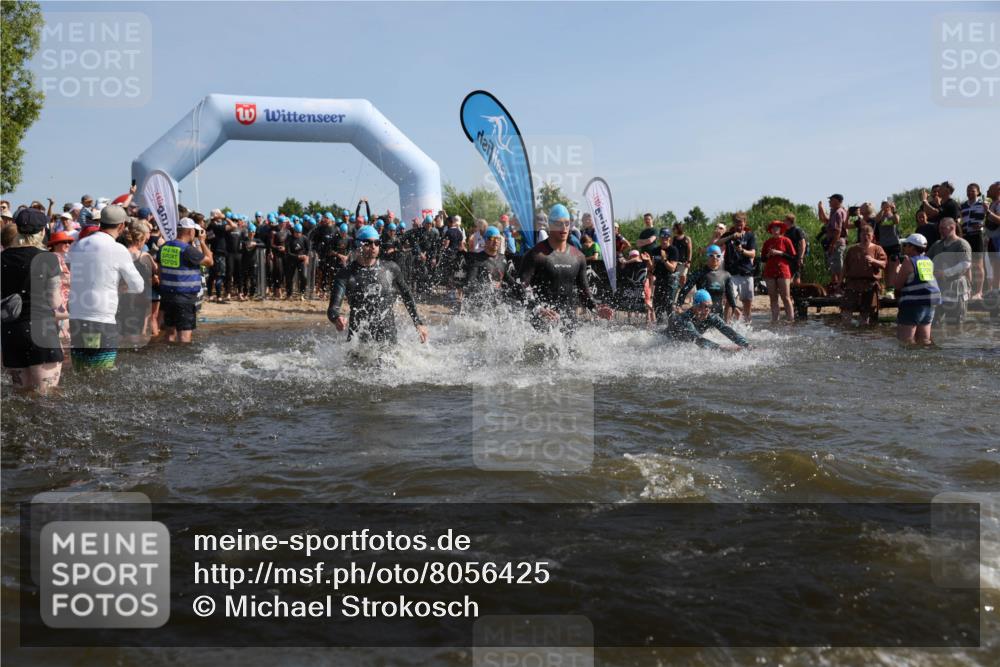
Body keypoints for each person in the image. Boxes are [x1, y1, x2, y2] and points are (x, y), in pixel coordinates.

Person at [65, 205, 144, 369]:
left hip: (76, 317)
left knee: (81, 370)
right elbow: (138, 286)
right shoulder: (118, 249)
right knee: (101, 373)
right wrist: (121, 288)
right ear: (121, 226)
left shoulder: (78, 245)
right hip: (101, 319)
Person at [517, 204, 614, 333]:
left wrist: (596, 308)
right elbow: (521, 286)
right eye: (559, 224)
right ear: (550, 225)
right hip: (541, 323)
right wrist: (538, 308)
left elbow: (584, 291)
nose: (564, 228)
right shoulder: (535, 255)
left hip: (569, 323)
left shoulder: (578, 256)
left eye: (567, 223)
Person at [328, 225, 428, 344]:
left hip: (388, 337)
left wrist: (418, 322)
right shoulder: (346, 274)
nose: (373, 246)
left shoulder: (390, 268)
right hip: (359, 338)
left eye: (377, 243)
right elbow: (333, 308)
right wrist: (336, 318)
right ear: (358, 245)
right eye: (368, 243)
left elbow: (406, 294)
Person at [1, 208, 64, 393]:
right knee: (47, 396)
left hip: (11, 332)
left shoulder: (2, 258)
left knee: (20, 396)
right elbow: (54, 301)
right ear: (43, 231)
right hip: (41, 330)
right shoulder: (48, 259)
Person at [158, 217, 213, 343]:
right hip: (184, 298)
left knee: (169, 334)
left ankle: (167, 355)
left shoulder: (164, 247)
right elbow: (210, 261)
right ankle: (184, 356)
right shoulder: (188, 250)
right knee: (184, 337)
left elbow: (160, 270)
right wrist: (202, 242)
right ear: (190, 231)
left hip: (167, 296)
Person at [664, 289, 750, 352]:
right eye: (705, 306)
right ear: (696, 306)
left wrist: (747, 345)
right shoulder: (685, 319)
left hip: (686, 341)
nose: (707, 310)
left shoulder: (711, 317)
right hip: (667, 341)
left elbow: (729, 331)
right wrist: (725, 348)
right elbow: (698, 340)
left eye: (710, 306)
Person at [893, 233, 941, 345]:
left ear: (912, 247)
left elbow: (898, 285)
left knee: (905, 342)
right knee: (924, 341)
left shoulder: (908, 262)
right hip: (930, 303)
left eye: (906, 245)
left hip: (913, 304)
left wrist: (896, 269)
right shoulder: (928, 261)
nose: (904, 247)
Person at [459, 226, 520, 314]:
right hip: (482, 306)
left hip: (498, 304)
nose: (496, 241)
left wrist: (522, 292)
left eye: (498, 238)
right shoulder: (477, 259)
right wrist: (487, 286)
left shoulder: (502, 258)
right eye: (492, 238)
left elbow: (509, 279)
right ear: (485, 240)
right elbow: (470, 284)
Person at [117, 218, 156, 345]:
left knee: (121, 332)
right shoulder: (144, 256)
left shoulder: (121, 254)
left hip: (121, 297)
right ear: (142, 238)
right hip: (139, 299)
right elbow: (155, 274)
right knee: (135, 335)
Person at [927, 217, 972, 325]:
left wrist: (945, 273)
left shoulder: (961, 244)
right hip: (938, 288)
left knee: (955, 325)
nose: (940, 231)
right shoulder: (937, 244)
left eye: (943, 228)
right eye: (939, 228)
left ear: (952, 227)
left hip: (956, 288)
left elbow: (965, 264)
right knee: (934, 323)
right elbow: (926, 260)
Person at [840, 225, 887, 326]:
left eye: (868, 235)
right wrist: (840, 283)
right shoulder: (852, 250)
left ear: (872, 236)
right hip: (852, 284)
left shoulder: (877, 249)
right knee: (846, 311)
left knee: (865, 315)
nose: (865, 237)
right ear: (860, 235)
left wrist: (873, 261)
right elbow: (844, 268)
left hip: (870, 285)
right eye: (863, 235)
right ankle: (846, 333)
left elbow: (884, 264)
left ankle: (863, 333)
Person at [677, 245, 739, 320]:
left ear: (721, 257)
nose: (715, 258)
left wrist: (734, 307)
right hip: (701, 315)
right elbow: (685, 289)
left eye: (718, 256)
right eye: (711, 255)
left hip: (718, 315)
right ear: (707, 257)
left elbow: (730, 294)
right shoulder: (699, 273)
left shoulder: (726, 275)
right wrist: (678, 305)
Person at [720, 212, 756, 324]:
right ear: (734, 223)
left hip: (746, 272)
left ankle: (747, 326)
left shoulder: (750, 235)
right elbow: (716, 244)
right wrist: (731, 236)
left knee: (747, 302)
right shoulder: (728, 234)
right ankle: (726, 325)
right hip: (731, 274)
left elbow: (753, 253)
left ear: (745, 223)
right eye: (737, 224)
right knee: (730, 301)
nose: (739, 226)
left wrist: (742, 250)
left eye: (741, 224)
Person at [761, 220, 796, 323]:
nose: (775, 229)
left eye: (777, 227)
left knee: (786, 297)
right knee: (773, 297)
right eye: (773, 227)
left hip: (783, 271)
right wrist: (768, 255)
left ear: (781, 229)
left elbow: (793, 257)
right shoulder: (767, 242)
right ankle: (775, 320)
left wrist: (780, 253)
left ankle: (791, 320)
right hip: (770, 271)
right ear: (770, 230)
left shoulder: (786, 240)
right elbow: (762, 259)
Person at [959, 183, 987, 300]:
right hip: (966, 236)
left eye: (972, 190)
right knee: (967, 264)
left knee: (978, 265)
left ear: (978, 192)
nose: (970, 192)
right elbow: (959, 220)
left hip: (977, 236)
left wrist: (983, 225)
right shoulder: (962, 205)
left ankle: (979, 292)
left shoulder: (983, 204)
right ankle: (969, 291)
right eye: (968, 190)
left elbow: (990, 219)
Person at [650, 228, 680, 323]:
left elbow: (672, 268)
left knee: (669, 306)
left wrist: (664, 259)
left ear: (670, 238)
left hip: (670, 282)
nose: (664, 239)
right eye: (662, 237)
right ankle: (660, 326)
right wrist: (647, 261)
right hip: (659, 281)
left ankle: (672, 326)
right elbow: (651, 268)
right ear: (659, 238)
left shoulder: (673, 250)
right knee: (657, 305)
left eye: (666, 237)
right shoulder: (655, 250)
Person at [818, 194, 848, 293]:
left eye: (831, 200)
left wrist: (832, 245)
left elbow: (838, 231)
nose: (829, 201)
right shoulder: (834, 212)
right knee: (832, 267)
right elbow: (824, 220)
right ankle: (835, 287)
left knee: (838, 266)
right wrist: (820, 208)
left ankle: (841, 288)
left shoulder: (838, 212)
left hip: (837, 242)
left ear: (837, 201)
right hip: (833, 241)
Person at [874, 200, 902, 290]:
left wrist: (894, 209)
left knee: (893, 266)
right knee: (885, 267)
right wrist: (882, 210)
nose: (886, 207)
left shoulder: (893, 215)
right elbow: (876, 220)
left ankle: (892, 287)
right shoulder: (880, 216)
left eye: (887, 206)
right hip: (883, 245)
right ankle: (887, 288)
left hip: (894, 244)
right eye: (884, 205)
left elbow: (897, 220)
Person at [284, 223, 310, 300]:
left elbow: (308, 249)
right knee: (289, 277)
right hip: (291, 260)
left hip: (301, 261)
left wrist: (307, 257)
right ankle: (289, 294)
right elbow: (288, 252)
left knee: (304, 276)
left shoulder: (304, 238)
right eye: (296, 232)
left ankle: (302, 293)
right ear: (294, 232)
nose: (298, 234)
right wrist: (298, 256)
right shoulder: (289, 239)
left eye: (299, 233)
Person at [783, 213, 807, 285]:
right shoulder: (786, 231)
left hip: (797, 257)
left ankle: (798, 290)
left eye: (785, 220)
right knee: (789, 275)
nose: (784, 221)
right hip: (788, 256)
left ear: (790, 221)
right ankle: (791, 290)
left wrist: (801, 257)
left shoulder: (797, 230)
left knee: (796, 276)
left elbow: (803, 244)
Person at [987, 181, 1000, 292]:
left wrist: (988, 212)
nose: (987, 191)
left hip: (998, 239)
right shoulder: (993, 203)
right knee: (994, 265)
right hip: (992, 239)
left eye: (990, 189)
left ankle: (996, 290)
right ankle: (995, 289)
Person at [671, 222, 693, 288]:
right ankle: (676, 291)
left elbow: (690, 251)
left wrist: (689, 261)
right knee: (674, 278)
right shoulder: (673, 239)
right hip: (675, 261)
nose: (673, 229)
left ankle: (683, 291)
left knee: (683, 277)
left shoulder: (687, 238)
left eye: (674, 228)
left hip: (684, 262)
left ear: (679, 229)